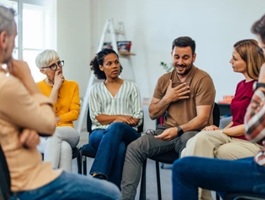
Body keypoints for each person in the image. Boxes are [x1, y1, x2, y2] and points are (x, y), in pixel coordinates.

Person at [172, 9, 265, 200]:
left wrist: (262, 85)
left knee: (182, 168)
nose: (263, 55)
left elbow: (254, 130)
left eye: (264, 49)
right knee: (210, 160)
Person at [0, 5, 120, 200]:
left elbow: (59, 118)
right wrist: (30, 82)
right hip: (31, 179)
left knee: (58, 139)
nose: (15, 45)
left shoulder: (70, 85)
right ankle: (56, 184)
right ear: (4, 39)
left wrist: (31, 127)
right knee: (112, 192)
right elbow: (46, 125)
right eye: (15, 37)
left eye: (59, 63)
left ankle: (58, 184)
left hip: (56, 138)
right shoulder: (10, 85)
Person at [121, 36, 216, 200]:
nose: (180, 62)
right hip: (166, 132)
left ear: (194, 57)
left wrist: (178, 130)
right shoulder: (164, 80)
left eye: (185, 57)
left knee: (188, 141)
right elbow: (152, 113)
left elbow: (202, 119)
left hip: (193, 133)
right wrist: (168, 98)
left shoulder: (203, 80)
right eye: (176, 57)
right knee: (134, 148)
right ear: (171, 55)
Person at [181, 39, 265, 199]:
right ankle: (202, 197)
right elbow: (238, 118)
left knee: (197, 148)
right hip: (235, 139)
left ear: (249, 60)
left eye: (235, 58)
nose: (230, 61)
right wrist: (221, 131)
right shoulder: (241, 85)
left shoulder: (260, 87)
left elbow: (250, 126)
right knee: (192, 147)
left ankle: (200, 197)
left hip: (253, 143)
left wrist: (222, 132)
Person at [88, 48, 143, 188]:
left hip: (128, 133)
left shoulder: (132, 87)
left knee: (117, 127)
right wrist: (120, 117)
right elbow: (96, 117)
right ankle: (115, 194)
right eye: (109, 63)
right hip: (99, 133)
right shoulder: (95, 90)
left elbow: (138, 117)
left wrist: (120, 122)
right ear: (101, 67)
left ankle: (99, 172)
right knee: (119, 147)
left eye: (116, 62)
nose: (114, 66)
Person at [36, 49, 80, 172]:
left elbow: (74, 113)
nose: (58, 68)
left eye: (59, 63)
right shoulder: (37, 87)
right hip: (43, 136)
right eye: (52, 66)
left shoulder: (73, 86)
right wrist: (55, 88)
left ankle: (47, 176)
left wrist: (58, 119)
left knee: (54, 133)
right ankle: (64, 188)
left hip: (68, 132)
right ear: (42, 70)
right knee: (65, 148)